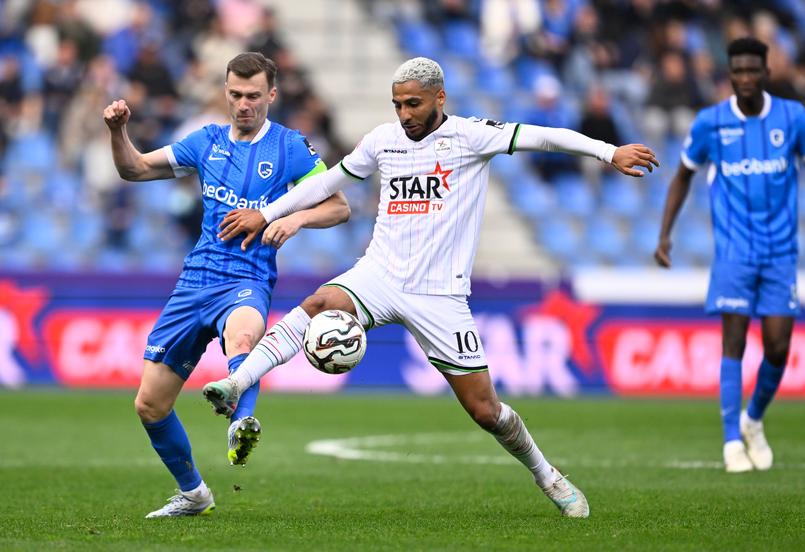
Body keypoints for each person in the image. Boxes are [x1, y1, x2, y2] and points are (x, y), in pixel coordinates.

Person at [203, 56, 658, 518]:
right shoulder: (383, 141)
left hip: (439, 295)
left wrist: (608, 152)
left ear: (440, 97)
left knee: (486, 411)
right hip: (379, 274)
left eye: (414, 104)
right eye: (397, 105)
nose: (404, 114)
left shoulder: (470, 136)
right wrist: (268, 213)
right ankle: (237, 382)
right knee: (320, 302)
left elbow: (542, 136)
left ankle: (548, 475)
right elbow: (329, 183)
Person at [104, 52, 350, 517]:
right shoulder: (206, 141)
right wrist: (118, 132)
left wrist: (294, 219)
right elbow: (133, 168)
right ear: (226, 93)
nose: (244, 104)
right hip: (194, 281)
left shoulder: (290, 147)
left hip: (247, 277)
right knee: (149, 405)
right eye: (236, 94)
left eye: (253, 95)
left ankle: (241, 423)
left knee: (243, 337)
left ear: (271, 94)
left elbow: (339, 207)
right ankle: (194, 494)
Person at [654, 37, 805, 473]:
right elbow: (682, 177)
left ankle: (753, 419)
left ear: (766, 72)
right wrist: (665, 235)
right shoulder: (710, 123)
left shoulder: (793, 118)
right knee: (733, 341)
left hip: (781, 252)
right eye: (738, 71)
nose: (746, 78)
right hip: (733, 252)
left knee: (778, 347)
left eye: (753, 70)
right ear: (729, 75)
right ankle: (732, 439)